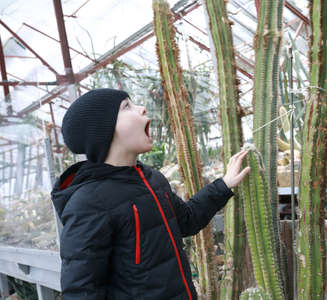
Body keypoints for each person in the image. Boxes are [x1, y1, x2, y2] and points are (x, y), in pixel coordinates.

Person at [51, 88, 250, 300]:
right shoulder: (88, 202)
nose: (142, 108)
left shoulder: (152, 179)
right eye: (126, 106)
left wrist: (224, 184)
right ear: (103, 130)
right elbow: (81, 291)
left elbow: (187, 220)